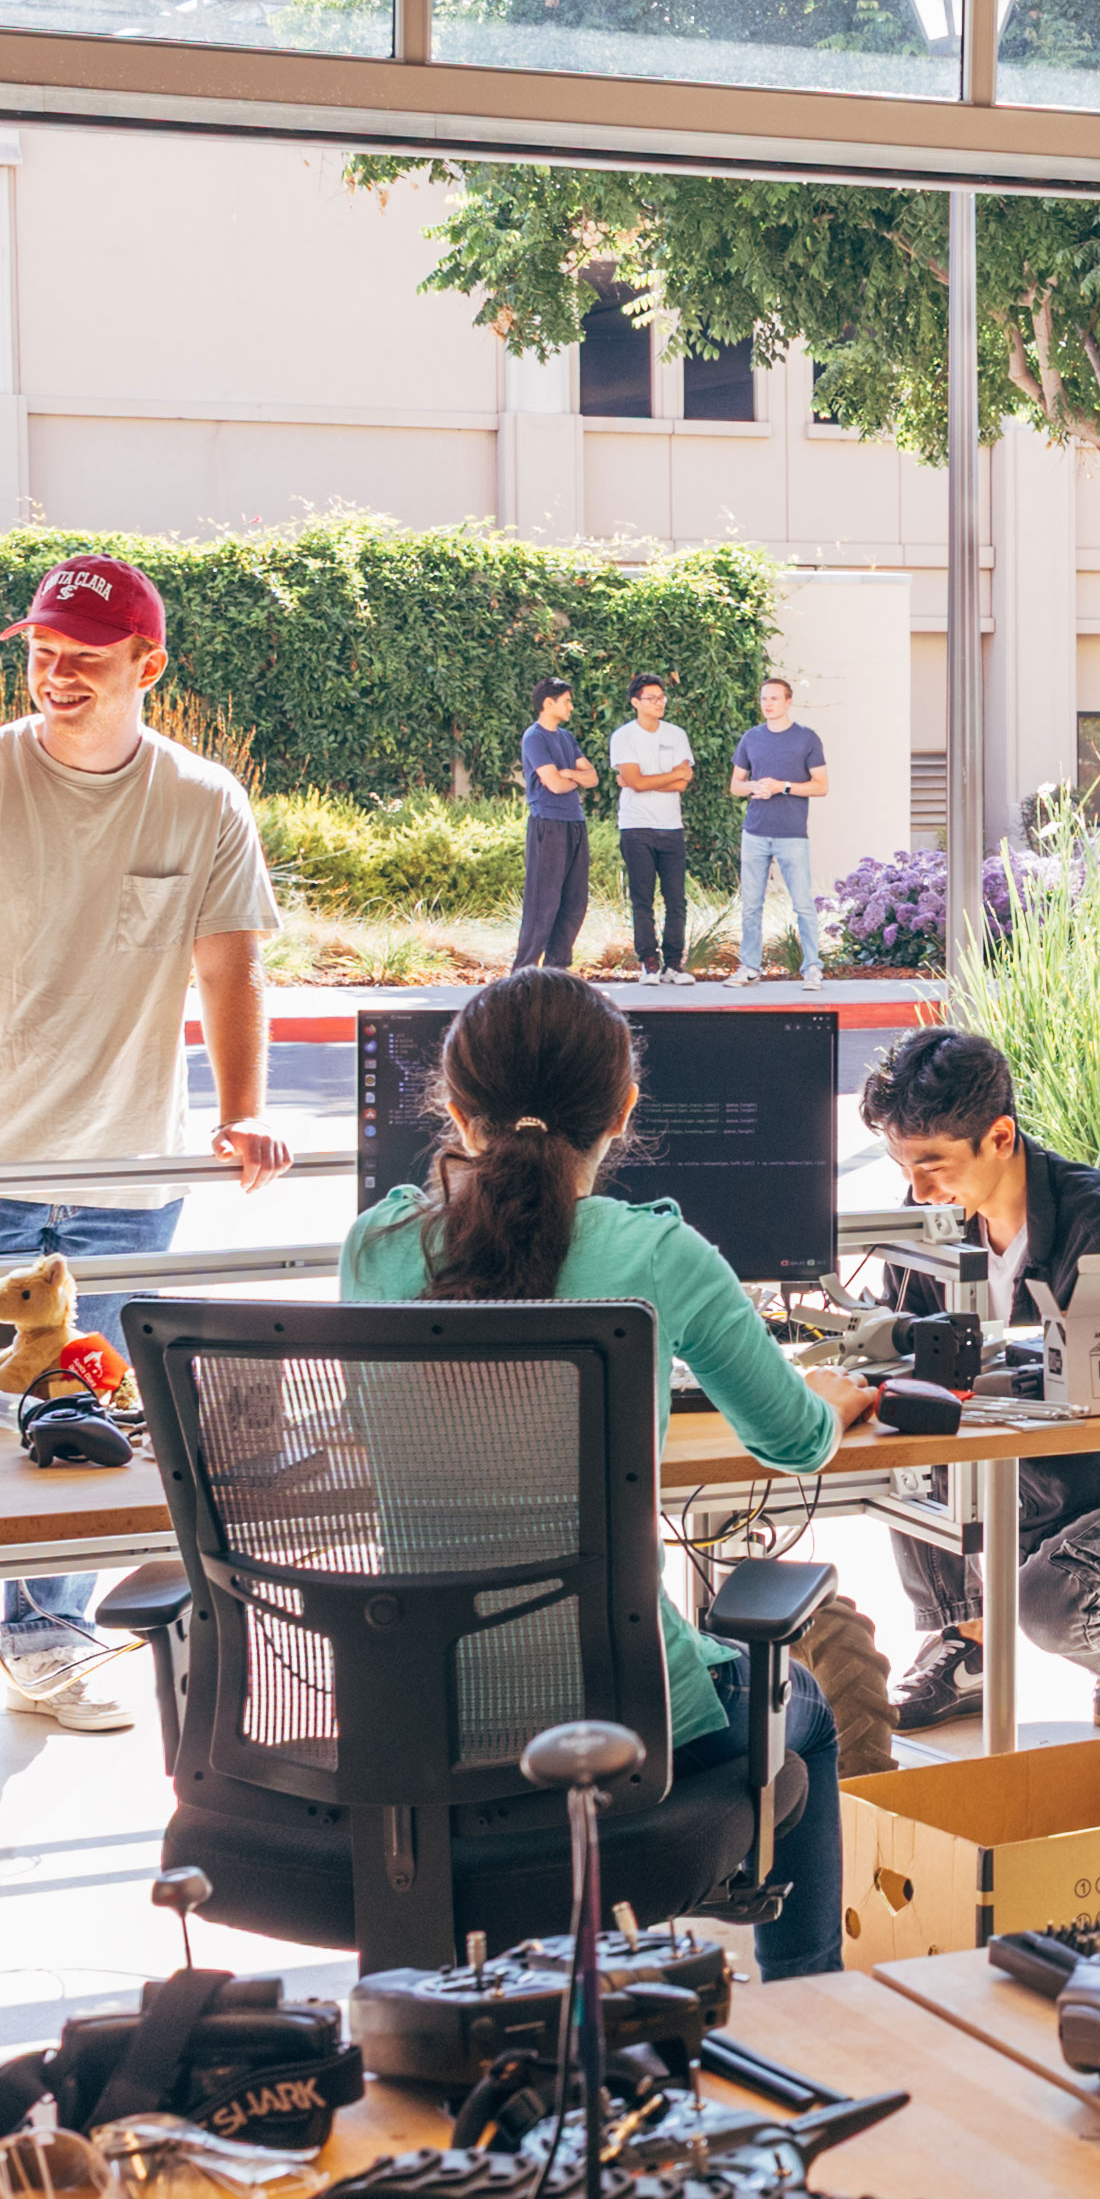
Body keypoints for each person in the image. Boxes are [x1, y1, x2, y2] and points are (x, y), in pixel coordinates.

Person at [345, 971, 868, 1974]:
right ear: (625, 1110)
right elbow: (793, 1442)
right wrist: (832, 1401)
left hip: (421, 1723)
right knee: (800, 1710)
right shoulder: (660, 1254)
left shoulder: (375, 1245)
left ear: (454, 1106)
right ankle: (812, 2004)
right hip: (634, 1726)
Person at [0, 552, 290, 1718]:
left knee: (89, 1417)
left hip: (125, 1170)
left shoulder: (202, 800)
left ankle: (45, 1643)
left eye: (85, 658)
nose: (57, 673)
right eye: (44, 652)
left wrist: (243, 1108)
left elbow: (231, 967)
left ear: (149, 665)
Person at [859, 1025, 1100, 1729]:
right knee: (899, 1438)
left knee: (1050, 1607)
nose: (918, 1190)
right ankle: (970, 1641)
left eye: (934, 1165)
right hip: (1020, 1469)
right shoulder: (930, 1220)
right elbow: (905, 1357)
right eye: (904, 1165)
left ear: (1000, 1137)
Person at [731, 672, 830, 981]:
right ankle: (749, 967)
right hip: (754, 832)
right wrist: (754, 787)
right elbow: (735, 785)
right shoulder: (751, 738)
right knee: (751, 906)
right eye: (764, 698)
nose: (768, 704)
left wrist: (782, 787)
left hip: (792, 834)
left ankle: (812, 967)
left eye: (774, 698)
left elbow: (821, 786)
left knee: (803, 905)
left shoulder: (807, 738)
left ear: (788, 702)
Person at [609, 672, 697, 975]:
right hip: (636, 827)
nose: (659, 702)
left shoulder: (676, 735)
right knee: (642, 900)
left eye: (661, 697)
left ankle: (673, 964)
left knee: (676, 901)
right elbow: (635, 781)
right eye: (651, 698)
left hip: (671, 826)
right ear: (635, 702)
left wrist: (644, 781)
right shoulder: (623, 736)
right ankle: (649, 962)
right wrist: (667, 776)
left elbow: (682, 783)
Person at [510, 669, 592, 975]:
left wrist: (567, 773)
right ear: (548, 703)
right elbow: (554, 786)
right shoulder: (535, 738)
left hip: (575, 823)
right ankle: (524, 972)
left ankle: (557, 971)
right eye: (567, 701)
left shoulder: (567, 737)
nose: (571, 706)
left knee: (574, 901)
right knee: (543, 902)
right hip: (548, 824)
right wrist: (572, 777)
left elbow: (592, 777)